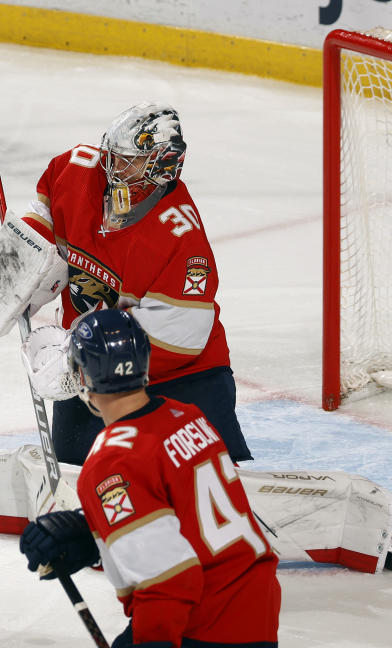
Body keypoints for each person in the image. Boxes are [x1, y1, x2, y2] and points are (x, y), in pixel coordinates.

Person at [19, 309, 280, 648]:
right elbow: (177, 511)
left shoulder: (111, 461)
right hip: (253, 611)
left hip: (204, 626)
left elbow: (168, 582)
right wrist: (92, 531)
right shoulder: (185, 416)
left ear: (83, 377)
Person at [18, 102, 251, 465]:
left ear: (163, 166)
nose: (113, 165)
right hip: (95, 373)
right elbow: (43, 221)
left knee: (209, 482)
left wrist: (78, 360)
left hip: (184, 378)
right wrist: (18, 266)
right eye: (115, 154)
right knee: (76, 472)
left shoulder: (181, 237)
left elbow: (179, 339)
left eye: (129, 160)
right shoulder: (75, 170)